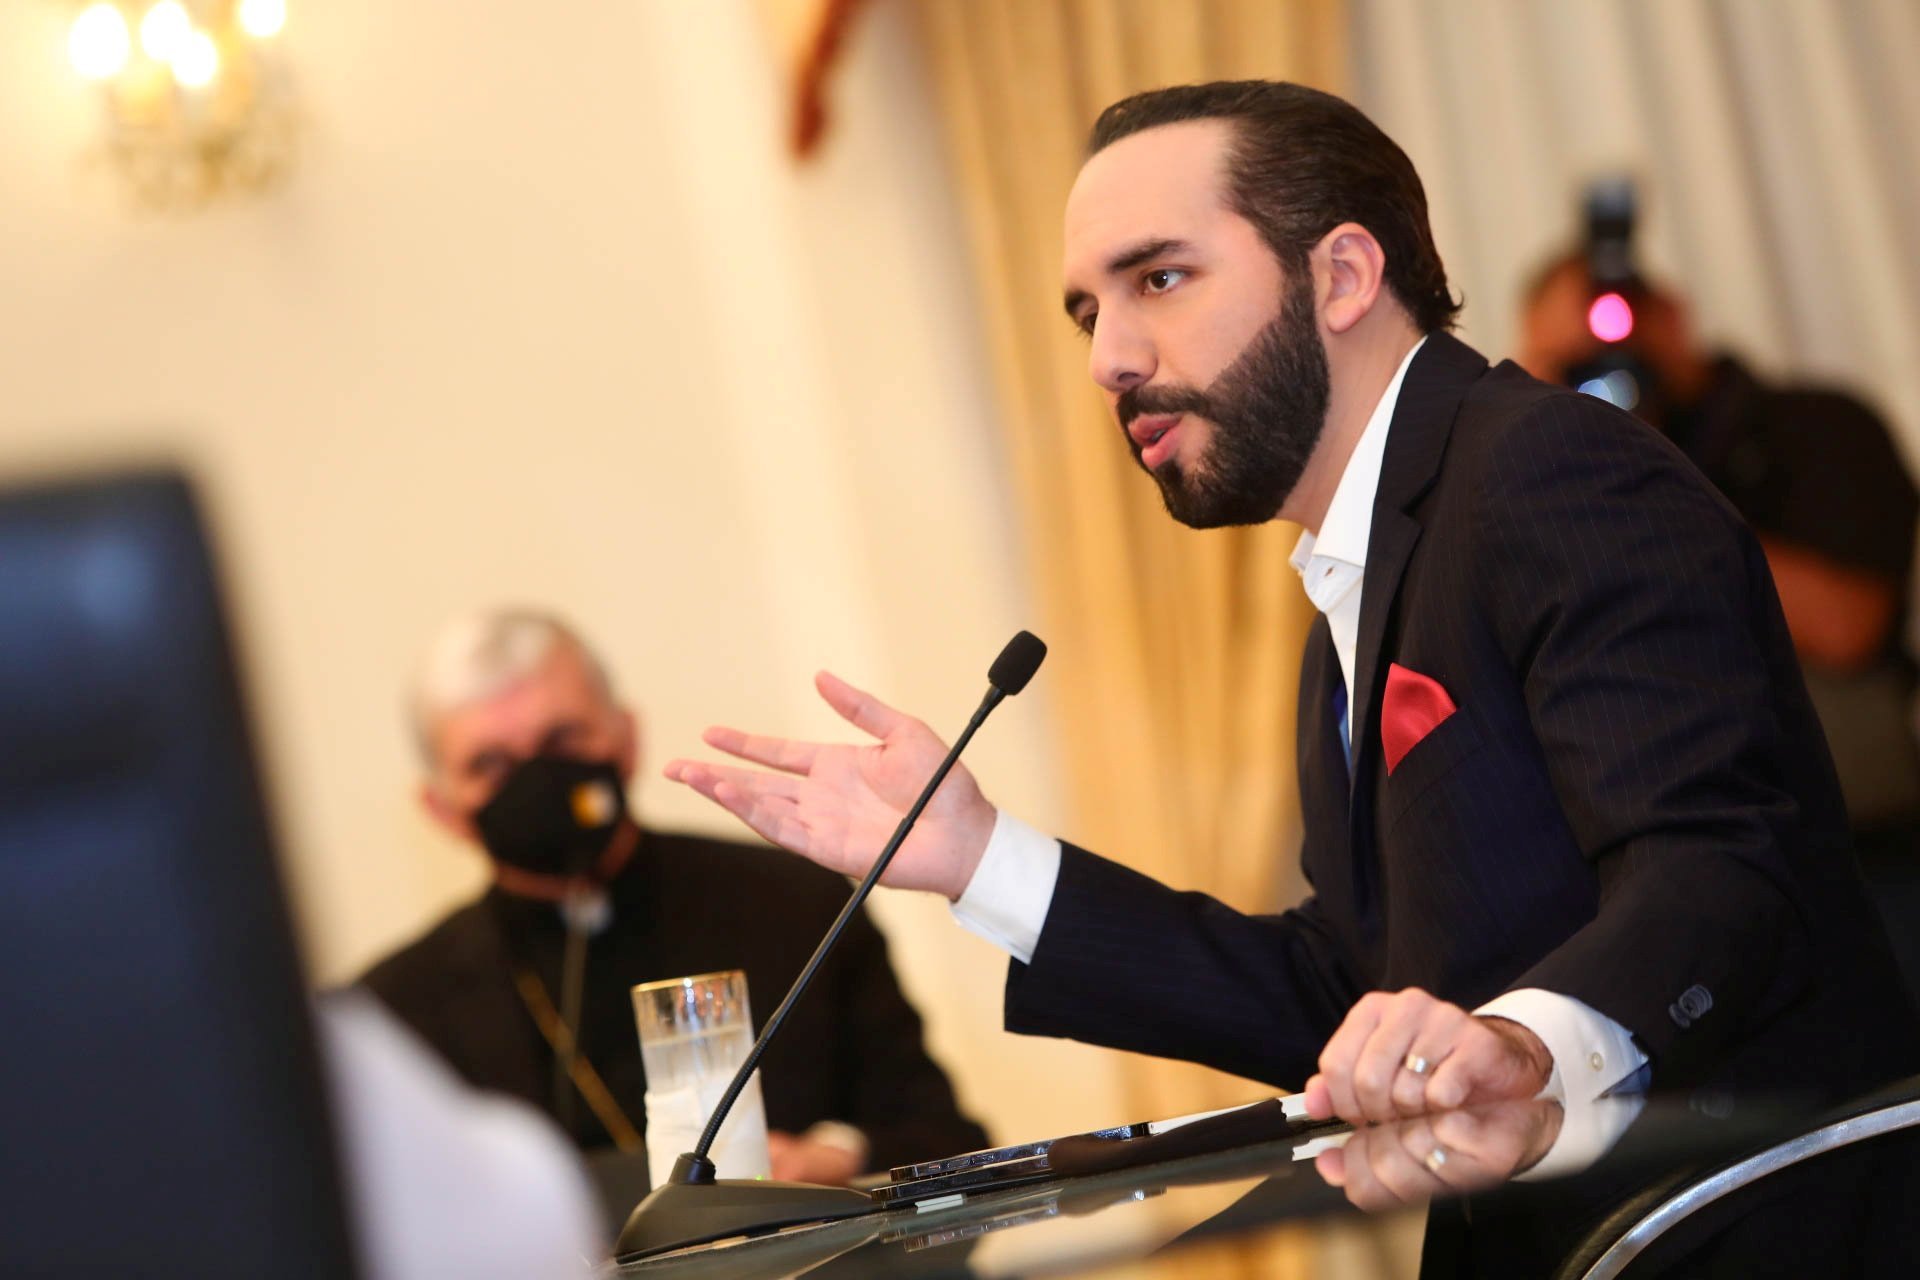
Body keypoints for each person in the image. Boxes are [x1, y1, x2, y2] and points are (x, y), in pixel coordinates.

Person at [662, 82, 1920, 1266]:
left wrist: (1516, 1047)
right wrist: (982, 860)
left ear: (1344, 275)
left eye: (1158, 277)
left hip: (1741, 1227)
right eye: (1089, 311)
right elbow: (1357, 990)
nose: (1108, 357)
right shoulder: (1354, 588)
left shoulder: (1548, 472)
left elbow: (1717, 864)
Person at [357, 609, 986, 1185]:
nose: (537, 782)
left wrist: (836, 1158)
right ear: (442, 809)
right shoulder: (394, 1015)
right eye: (491, 764)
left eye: (562, 741)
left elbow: (947, 1140)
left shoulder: (794, 903)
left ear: (626, 740)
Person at [1517, 251, 1920, 863]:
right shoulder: (1565, 497)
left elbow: (1846, 628)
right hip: (1682, 864)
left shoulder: (1814, 426)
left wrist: (1643, 478)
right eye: (1576, 365)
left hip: (1865, 842)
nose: (1605, 373)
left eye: (1615, 340)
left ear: (1672, 320)